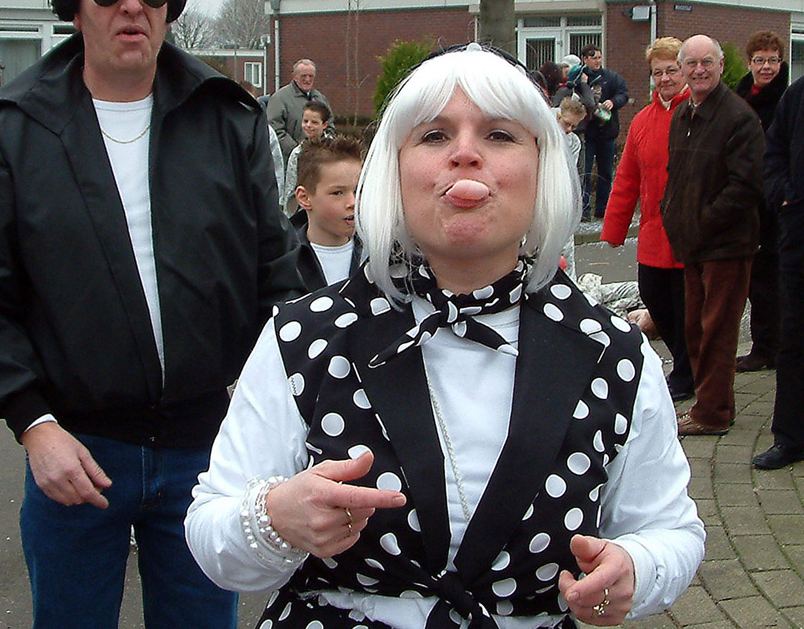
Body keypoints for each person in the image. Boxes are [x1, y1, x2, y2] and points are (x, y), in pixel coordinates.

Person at [186, 44, 704, 629]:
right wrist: (275, 518)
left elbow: (669, 529)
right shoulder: (304, 337)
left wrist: (635, 567)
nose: (465, 153)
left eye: (500, 135)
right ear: (394, 170)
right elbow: (212, 532)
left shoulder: (612, 352)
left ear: (543, 168)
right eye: (434, 136)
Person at [0, 0, 303, 629]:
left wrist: (281, 411)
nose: (131, 5)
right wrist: (34, 425)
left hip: (206, 454)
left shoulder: (226, 118)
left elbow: (277, 276)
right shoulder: (10, 131)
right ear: (75, 4)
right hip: (75, 453)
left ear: (170, 4)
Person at [661, 35, 765, 436]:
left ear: (721, 66)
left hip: (727, 245)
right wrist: (671, 214)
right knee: (696, 329)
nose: (699, 70)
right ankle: (711, 403)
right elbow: (676, 175)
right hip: (694, 244)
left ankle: (713, 413)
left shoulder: (739, 118)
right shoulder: (682, 114)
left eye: (707, 62)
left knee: (717, 331)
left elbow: (746, 186)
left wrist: (702, 222)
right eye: (691, 63)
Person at [601, 37, 694, 402]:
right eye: (658, 72)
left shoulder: (700, 115)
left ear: (685, 71)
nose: (665, 78)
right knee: (654, 296)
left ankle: (688, 372)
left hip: (691, 234)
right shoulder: (642, 121)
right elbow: (627, 178)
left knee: (688, 309)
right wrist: (614, 228)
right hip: (654, 231)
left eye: (672, 70)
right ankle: (686, 366)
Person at [752, 71, 804, 469]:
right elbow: (774, 152)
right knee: (794, 337)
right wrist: (783, 196)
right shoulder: (797, 96)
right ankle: (790, 437)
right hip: (798, 236)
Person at [734, 30, 790, 373]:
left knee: (774, 279)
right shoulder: (739, 98)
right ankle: (764, 345)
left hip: (775, 204)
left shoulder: (786, 100)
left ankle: (774, 347)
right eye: (759, 60)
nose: (766, 67)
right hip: (745, 200)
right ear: (750, 62)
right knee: (754, 280)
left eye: (772, 60)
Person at [290, 134, 365, 292]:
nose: (353, 202)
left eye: (358, 191)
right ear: (304, 198)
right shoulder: (283, 260)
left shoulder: (378, 257)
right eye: (337, 193)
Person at [578, 45, 629, 221]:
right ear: (585, 59)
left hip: (607, 132)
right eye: (594, 58)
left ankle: (602, 208)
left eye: (599, 57)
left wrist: (614, 102)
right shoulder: (579, 78)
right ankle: (584, 209)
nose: (598, 61)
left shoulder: (611, 78)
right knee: (584, 172)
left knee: (605, 173)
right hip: (587, 133)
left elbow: (623, 94)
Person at [268, 58, 334, 161]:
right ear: (295, 76)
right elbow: (275, 130)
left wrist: (323, 150)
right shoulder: (279, 99)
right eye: (304, 76)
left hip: (319, 159)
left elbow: (330, 127)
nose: (307, 79)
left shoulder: (321, 99)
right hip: (289, 160)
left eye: (311, 76)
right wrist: (298, 151)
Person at [284, 100, 334, 214]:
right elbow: (290, 188)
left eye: (314, 122)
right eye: (305, 121)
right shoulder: (297, 153)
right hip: (304, 209)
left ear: (324, 125)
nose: (309, 125)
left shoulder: (334, 151)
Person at [555, 95, 585, 279]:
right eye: (566, 124)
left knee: (565, 250)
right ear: (558, 115)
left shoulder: (573, 142)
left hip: (561, 199)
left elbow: (567, 173)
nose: (569, 129)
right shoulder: (540, 133)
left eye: (574, 126)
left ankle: (570, 284)